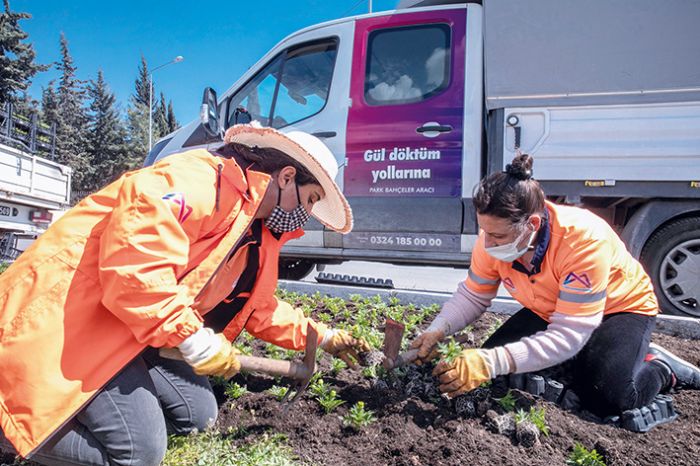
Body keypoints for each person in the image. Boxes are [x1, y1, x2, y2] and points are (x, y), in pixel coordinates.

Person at [0, 123, 370, 466]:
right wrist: (192, 339)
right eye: (309, 200)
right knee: (137, 453)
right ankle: (10, 429)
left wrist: (325, 337)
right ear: (287, 177)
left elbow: (260, 310)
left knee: (197, 414)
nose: (305, 216)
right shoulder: (199, 180)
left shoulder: (256, 231)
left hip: (130, 324)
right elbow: (137, 264)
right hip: (73, 318)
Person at [411, 153, 700, 417]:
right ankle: (587, 359)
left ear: (532, 224)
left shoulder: (583, 241)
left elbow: (570, 333)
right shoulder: (493, 239)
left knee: (608, 398)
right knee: (496, 374)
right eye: (483, 231)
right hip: (553, 309)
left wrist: (491, 360)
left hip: (620, 308)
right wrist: (437, 328)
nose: (486, 243)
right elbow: (473, 296)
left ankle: (662, 368)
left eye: (497, 236)